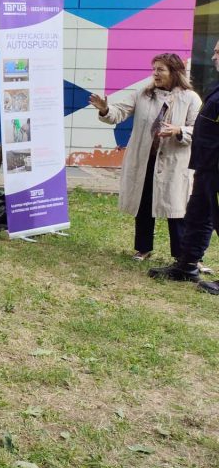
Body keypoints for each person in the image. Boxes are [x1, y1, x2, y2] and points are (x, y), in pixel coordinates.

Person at [90, 53, 201, 262]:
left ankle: (181, 254)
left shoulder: (190, 98)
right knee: (143, 204)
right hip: (145, 159)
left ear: (174, 72)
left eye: (161, 70)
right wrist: (105, 109)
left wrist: (178, 130)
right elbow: (119, 112)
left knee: (175, 208)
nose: (155, 74)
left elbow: (198, 130)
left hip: (173, 163)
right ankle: (143, 248)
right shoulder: (143, 94)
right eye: (154, 69)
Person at [150, 40, 219, 294]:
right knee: (197, 216)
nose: (213, 56)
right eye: (214, 51)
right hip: (206, 166)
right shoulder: (216, 86)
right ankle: (186, 265)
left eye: (218, 52)